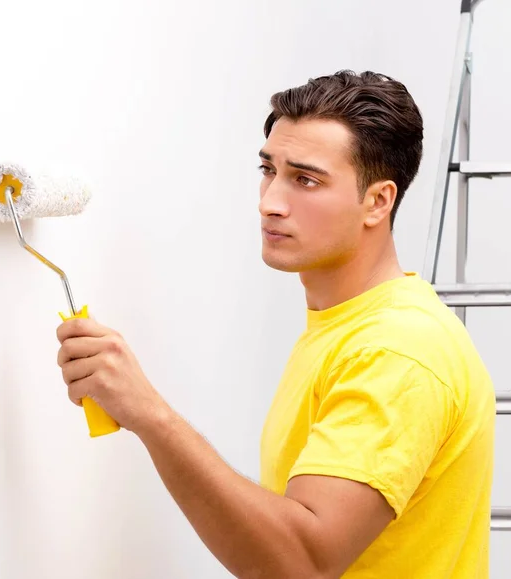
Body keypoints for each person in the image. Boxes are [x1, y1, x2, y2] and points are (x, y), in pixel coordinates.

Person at [55, 70, 495, 578]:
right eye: (269, 170)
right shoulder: (349, 325)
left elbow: (302, 563)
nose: (270, 202)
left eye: (306, 180)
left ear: (377, 201)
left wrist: (149, 415)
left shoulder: (396, 349)